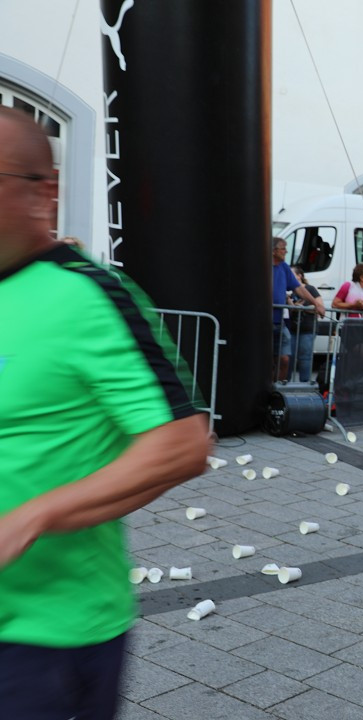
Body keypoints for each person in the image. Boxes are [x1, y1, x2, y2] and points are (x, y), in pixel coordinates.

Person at [0, 107, 210, 718]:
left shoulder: (89, 294)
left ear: (46, 192)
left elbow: (183, 443)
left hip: (47, 640)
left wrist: (31, 517)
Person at [272, 238, 323, 380]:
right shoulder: (263, 266)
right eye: (283, 248)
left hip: (279, 323)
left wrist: (316, 304)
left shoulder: (284, 267)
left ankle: (277, 390)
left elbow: (299, 288)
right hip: (264, 322)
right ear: (273, 251)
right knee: (268, 361)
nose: (286, 251)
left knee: (284, 360)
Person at [289, 266, 327, 382]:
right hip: (292, 327)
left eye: (292, 273)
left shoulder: (310, 289)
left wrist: (302, 308)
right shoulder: (289, 290)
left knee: (305, 357)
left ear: (299, 276)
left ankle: (304, 383)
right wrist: (291, 304)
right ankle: (285, 381)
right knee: (289, 356)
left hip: (308, 328)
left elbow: (320, 306)